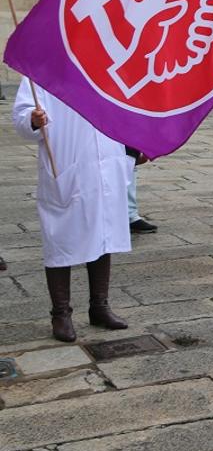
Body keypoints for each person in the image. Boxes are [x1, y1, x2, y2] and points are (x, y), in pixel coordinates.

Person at [14, 85, 138, 342]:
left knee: (104, 234)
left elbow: (125, 107)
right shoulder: (40, 70)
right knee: (61, 237)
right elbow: (21, 115)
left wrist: (135, 145)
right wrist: (33, 120)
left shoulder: (102, 66)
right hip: (67, 161)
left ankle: (99, 306)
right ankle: (61, 313)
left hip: (107, 159)